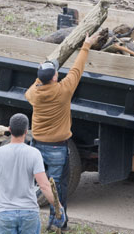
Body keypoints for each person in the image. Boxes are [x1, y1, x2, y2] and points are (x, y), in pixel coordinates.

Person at [25, 32, 99, 231]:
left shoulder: (34, 94)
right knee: (58, 188)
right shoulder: (63, 90)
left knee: (41, 184)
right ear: (55, 77)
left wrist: (41, 75)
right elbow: (77, 69)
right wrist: (86, 45)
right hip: (57, 147)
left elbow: (32, 89)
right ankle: (57, 223)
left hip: (37, 144)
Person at [0, 113, 65, 234]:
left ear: (9, 129)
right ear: (26, 131)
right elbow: (44, 186)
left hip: (4, 213)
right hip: (29, 212)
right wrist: (58, 207)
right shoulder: (34, 153)